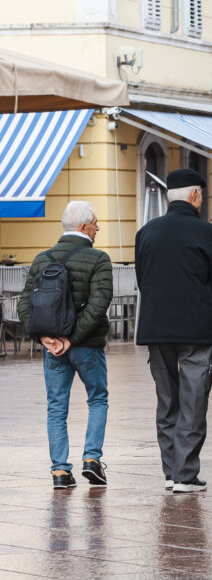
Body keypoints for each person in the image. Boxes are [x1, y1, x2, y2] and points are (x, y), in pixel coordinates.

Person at [135, 169, 212, 493]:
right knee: (193, 399)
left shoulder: (146, 232)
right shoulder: (208, 233)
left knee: (167, 400)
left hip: (156, 327)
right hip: (195, 328)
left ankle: (171, 472)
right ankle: (186, 474)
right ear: (194, 195)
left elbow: (141, 279)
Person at [18, 201, 113, 489]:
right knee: (97, 398)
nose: (98, 228)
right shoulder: (99, 259)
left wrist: (44, 338)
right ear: (84, 226)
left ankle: (60, 471)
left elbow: (24, 304)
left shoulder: (42, 259)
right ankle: (92, 460)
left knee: (56, 408)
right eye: (95, 223)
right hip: (87, 346)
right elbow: (99, 304)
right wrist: (72, 338)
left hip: (52, 348)